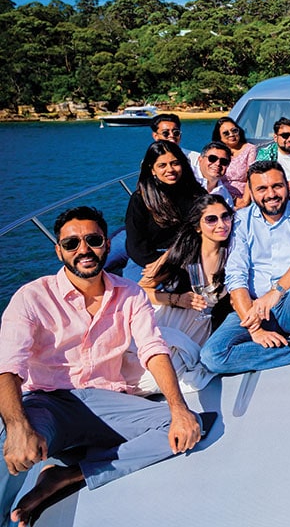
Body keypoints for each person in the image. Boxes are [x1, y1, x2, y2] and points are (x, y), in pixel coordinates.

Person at [0, 206, 204, 525]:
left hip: (106, 402)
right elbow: (9, 365)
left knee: (187, 426)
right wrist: (17, 427)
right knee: (8, 449)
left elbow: (153, 348)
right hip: (49, 404)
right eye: (71, 243)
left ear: (106, 245)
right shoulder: (32, 298)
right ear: (59, 251)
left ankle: (70, 475)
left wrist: (178, 409)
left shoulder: (130, 294)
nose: (83, 249)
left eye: (92, 240)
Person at [199, 161, 290, 415]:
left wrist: (277, 291)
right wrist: (255, 328)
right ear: (250, 190)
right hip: (253, 308)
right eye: (261, 188)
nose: (270, 194)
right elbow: (236, 275)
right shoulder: (242, 220)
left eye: (277, 186)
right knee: (212, 357)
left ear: (287, 187)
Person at [128, 194, 234, 395]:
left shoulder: (233, 253)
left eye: (225, 216)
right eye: (211, 219)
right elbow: (140, 291)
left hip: (200, 327)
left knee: (161, 378)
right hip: (170, 317)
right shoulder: (183, 252)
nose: (221, 224)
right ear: (197, 226)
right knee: (142, 374)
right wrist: (177, 299)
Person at [124, 141, 204, 281]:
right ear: (152, 169)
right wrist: (157, 265)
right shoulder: (141, 199)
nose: (170, 169)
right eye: (162, 165)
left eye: (175, 163)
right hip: (149, 258)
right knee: (136, 293)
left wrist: (170, 260)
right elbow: (135, 244)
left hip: (186, 254)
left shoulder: (196, 194)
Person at [211, 117, 257, 209]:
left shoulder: (250, 149)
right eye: (226, 133)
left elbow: (251, 176)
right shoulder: (216, 152)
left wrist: (245, 201)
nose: (231, 134)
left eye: (234, 130)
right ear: (219, 136)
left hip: (243, 197)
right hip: (220, 196)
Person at [196, 142, 235, 207]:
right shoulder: (184, 177)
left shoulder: (225, 196)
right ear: (200, 159)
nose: (218, 163)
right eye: (212, 158)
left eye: (223, 161)